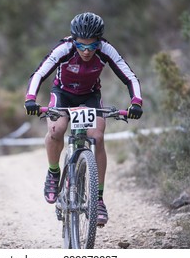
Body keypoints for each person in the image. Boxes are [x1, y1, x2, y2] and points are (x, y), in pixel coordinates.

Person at [24, 12, 143, 225]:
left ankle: (97, 199)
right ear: (74, 41)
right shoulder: (64, 49)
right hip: (62, 94)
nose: (86, 51)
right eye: (81, 46)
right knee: (56, 130)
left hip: (89, 97)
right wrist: (31, 98)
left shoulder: (106, 50)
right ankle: (53, 173)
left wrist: (136, 102)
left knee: (97, 136)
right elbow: (39, 73)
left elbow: (129, 76)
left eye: (92, 46)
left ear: (99, 41)